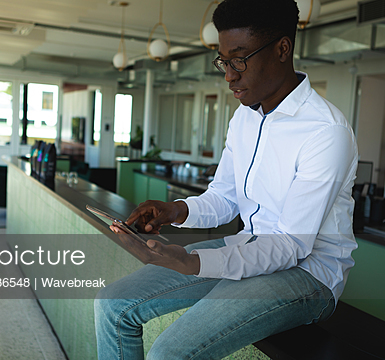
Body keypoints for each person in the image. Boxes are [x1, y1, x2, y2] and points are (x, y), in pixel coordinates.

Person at [94, 0, 358, 358]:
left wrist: (193, 262)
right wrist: (174, 211)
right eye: (224, 61)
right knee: (112, 305)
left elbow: (290, 245)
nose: (229, 75)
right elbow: (225, 197)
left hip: (308, 275)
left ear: (283, 49)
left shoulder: (326, 132)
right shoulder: (245, 117)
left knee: (170, 351)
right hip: (248, 246)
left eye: (240, 59)